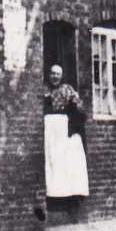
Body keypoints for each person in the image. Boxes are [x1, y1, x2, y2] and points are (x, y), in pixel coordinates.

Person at [38, 64, 89, 220]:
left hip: (62, 130)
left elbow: (80, 109)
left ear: (62, 76)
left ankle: (69, 201)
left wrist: (73, 124)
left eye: (58, 74)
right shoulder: (43, 89)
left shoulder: (68, 90)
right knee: (52, 163)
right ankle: (53, 197)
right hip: (50, 132)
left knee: (66, 164)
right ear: (49, 74)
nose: (55, 77)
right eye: (52, 73)